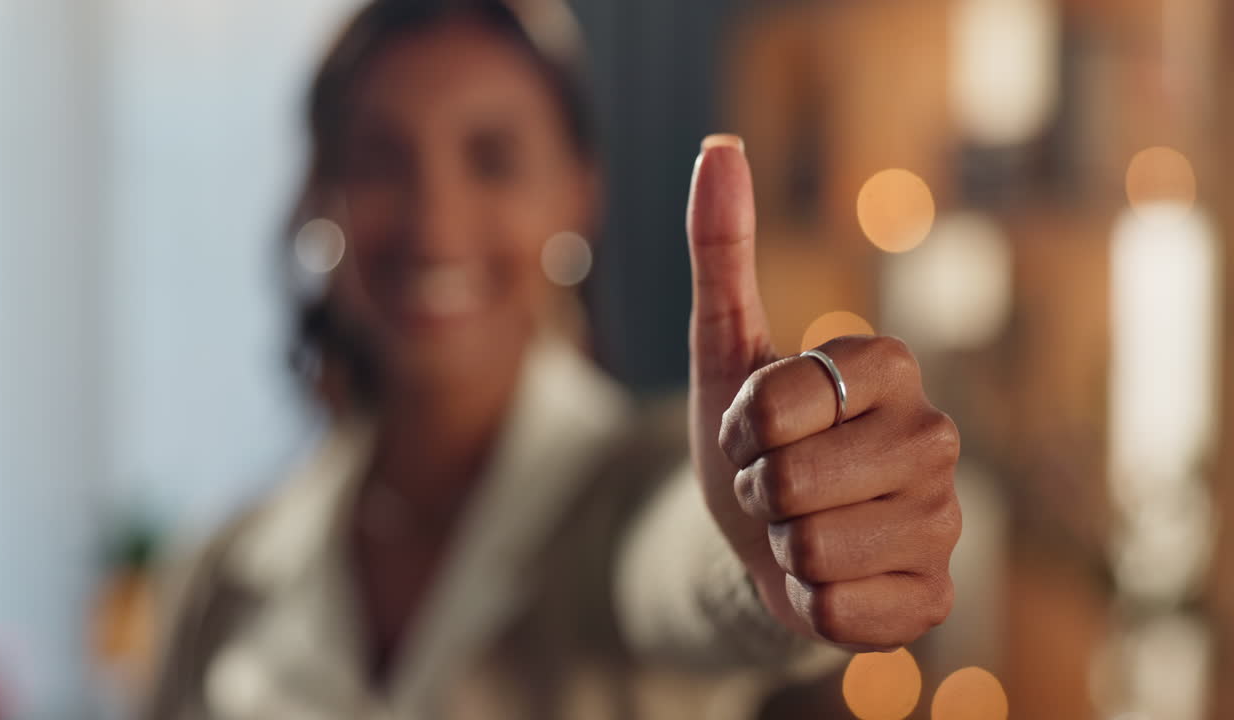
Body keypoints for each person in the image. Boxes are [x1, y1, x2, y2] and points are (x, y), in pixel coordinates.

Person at [143, 1, 962, 718]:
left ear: (578, 194)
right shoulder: (218, 579)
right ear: (321, 199)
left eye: (491, 159)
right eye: (381, 162)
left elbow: (683, 566)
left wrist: (764, 545)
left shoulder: (633, 491)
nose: (435, 221)